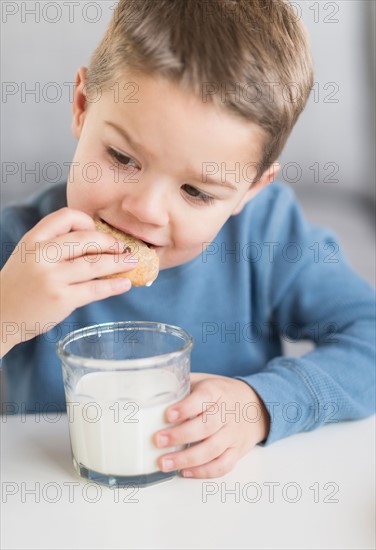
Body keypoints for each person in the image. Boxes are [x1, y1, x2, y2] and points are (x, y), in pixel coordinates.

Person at [1, 0, 375, 480]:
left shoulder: (267, 235)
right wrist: (7, 313)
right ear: (81, 106)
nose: (145, 210)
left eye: (196, 191)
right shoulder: (22, 244)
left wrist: (260, 404)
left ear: (250, 190)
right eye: (122, 157)